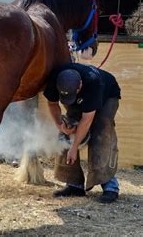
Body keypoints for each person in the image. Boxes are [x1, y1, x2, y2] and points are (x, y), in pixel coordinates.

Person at [44, 63, 121, 203]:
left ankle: (110, 186)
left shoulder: (93, 83)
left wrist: (74, 147)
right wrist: (60, 126)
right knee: (68, 128)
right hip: (81, 96)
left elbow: (87, 120)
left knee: (102, 129)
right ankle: (74, 184)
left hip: (107, 95)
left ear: (79, 85)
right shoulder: (55, 77)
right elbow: (52, 104)